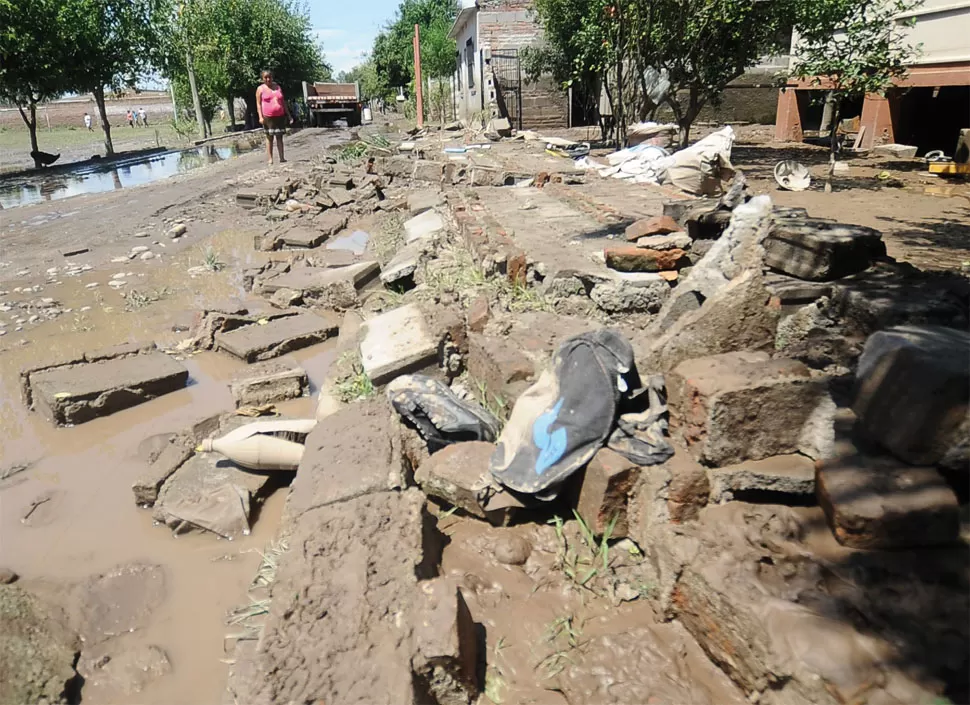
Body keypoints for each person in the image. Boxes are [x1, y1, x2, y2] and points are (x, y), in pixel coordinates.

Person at [256, 69, 292, 165]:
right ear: (262, 79)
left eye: (270, 77)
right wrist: (260, 117)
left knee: (279, 137)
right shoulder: (260, 89)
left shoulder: (278, 87)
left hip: (280, 116)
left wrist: (289, 115)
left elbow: (283, 102)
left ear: (272, 77)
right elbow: (258, 104)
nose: (268, 79)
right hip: (268, 117)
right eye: (266, 77)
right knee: (269, 138)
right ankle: (270, 159)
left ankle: (282, 157)